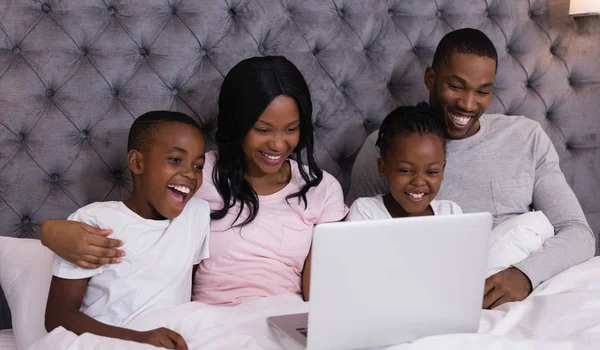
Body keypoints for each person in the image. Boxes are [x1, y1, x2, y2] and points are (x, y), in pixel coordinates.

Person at [40, 56, 348, 306]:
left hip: (286, 318)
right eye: (263, 130)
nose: (278, 145)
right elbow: (137, 220)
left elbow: (323, 288)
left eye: (291, 129)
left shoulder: (322, 189)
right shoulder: (198, 173)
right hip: (211, 323)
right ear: (237, 124)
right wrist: (50, 231)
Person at [346, 28, 595, 309]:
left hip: (529, 285)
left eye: (482, 92)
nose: (467, 104)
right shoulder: (387, 147)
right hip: (440, 293)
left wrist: (525, 275)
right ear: (431, 79)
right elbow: (352, 246)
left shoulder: (527, 137)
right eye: (456, 86)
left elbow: (578, 233)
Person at [45, 111, 210, 350]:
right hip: (103, 349)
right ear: (137, 162)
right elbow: (58, 317)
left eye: (198, 165)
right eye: (175, 159)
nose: (190, 174)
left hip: (170, 349)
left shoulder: (197, 214)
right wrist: (138, 339)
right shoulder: (94, 222)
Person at [347, 103, 461, 221]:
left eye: (432, 172)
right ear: (382, 168)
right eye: (406, 170)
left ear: (443, 170)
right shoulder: (366, 211)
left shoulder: (451, 212)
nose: (419, 182)